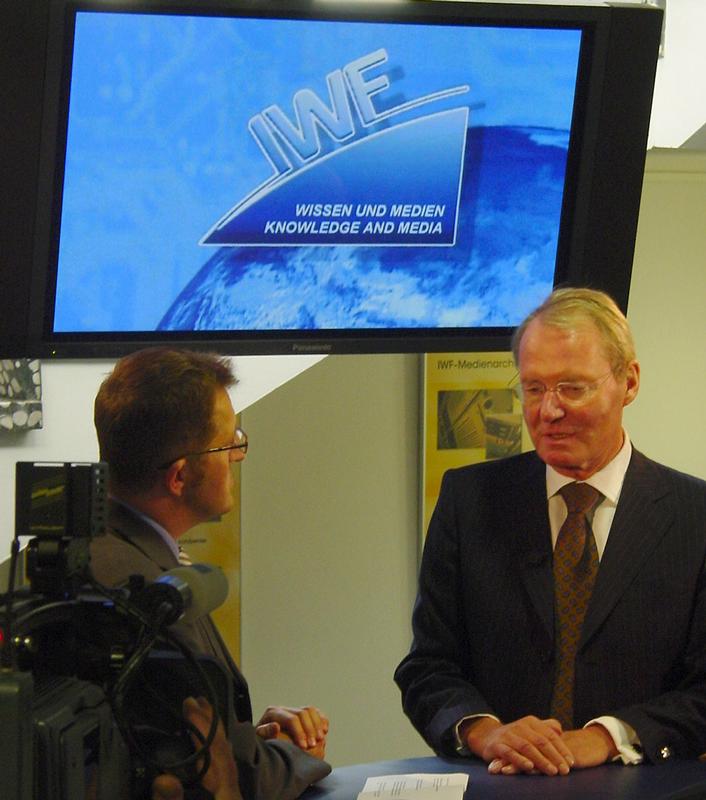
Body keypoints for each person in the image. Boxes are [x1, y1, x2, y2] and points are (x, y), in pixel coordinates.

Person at [395, 287, 706, 777]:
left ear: (629, 382)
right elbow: (428, 666)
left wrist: (606, 736)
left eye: (572, 388)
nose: (548, 411)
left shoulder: (695, 516)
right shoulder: (469, 500)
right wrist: (487, 732)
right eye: (534, 388)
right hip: (502, 785)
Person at [90, 347, 331, 799]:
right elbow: (242, 779)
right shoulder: (151, 600)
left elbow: (164, 742)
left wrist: (249, 739)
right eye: (229, 442)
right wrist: (301, 757)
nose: (239, 454)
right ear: (179, 477)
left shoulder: (99, 556)